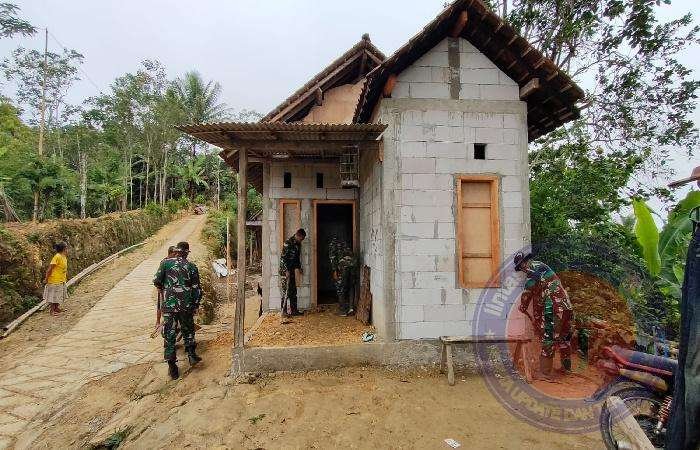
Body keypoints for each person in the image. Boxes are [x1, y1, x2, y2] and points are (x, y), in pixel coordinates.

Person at [514, 252, 574, 379]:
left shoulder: (532, 272)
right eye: (521, 267)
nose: (523, 269)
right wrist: (537, 317)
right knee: (564, 338)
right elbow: (538, 298)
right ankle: (566, 368)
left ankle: (545, 373)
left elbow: (527, 292)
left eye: (521, 266)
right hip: (566, 307)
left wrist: (523, 306)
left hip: (554, 308)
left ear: (524, 263)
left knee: (548, 338)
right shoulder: (544, 268)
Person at [152, 242, 202, 380]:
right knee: (188, 329)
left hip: (169, 306)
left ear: (176, 251)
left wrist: (165, 287)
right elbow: (197, 289)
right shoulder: (191, 266)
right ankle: (191, 355)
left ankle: (172, 366)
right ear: (186, 252)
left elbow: (156, 281)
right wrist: (195, 304)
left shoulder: (165, 263)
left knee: (169, 333)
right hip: (186, 304)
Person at [279, 228, 306, 318]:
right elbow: (283, 258)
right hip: (285, 271)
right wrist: (286, 270)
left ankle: (294, 311)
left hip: (292, 270)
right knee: (286, 291)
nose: (302, 240)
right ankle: (284, 312)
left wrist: (299, 267)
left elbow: (297, 258)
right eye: (301, 239)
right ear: (298, 235)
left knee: (293, 291)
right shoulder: (288, 243)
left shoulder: (298, 244)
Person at [329, 236, 356, 316]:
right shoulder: (345, 244)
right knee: (351, 286)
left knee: (340, 288)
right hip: (353, 265)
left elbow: (333, 258)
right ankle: (351, 309)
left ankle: (342, 311)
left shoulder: (332, 245)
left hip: (343, 266)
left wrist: (335, 271)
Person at [43, 241, 69, 316]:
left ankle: (56, 308)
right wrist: (46, 279)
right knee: (53, 296)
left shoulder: (63, 257)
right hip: (54, 280)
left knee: (59, 295)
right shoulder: (57, 257)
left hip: (61, 279)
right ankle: (52, 311)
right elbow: (49, 269)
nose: (67, 249)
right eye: (66, 247)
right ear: (64, 249)